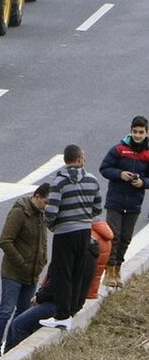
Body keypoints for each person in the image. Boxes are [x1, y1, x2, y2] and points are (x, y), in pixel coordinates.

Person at [5, 239, 99, 350]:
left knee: (18, 324)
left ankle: (16, 354)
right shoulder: (90, 252)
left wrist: (39, 297)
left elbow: (58, 283)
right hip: (73, 303)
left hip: (58, 305)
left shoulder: (72, 253)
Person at [44, 145, 102, 311]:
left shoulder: (59, 182)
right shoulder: (92, 180)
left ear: (65, 160)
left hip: (64, 233)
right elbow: (97, 208)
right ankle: (73, 308)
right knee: (78, 271)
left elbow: (51, 212)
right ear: (79, 159)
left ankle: (62, 313)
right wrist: (84, 218)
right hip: (85, 231)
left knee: (63, 272)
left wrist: (53, 226)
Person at [0, 184, 49, 354]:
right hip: (13, 273)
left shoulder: (42, 215)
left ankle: (10, 348)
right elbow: (5, 241)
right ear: (37, 196)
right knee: (6, 311)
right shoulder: (19, 212)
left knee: (23, 313)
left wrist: (42, 261)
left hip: (32, 275)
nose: (47, 206)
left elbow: (43, 241)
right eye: (46, 202)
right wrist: (21, 263)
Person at [98, 116, 149, 288]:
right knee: (113, 236)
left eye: (141, 132)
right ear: (130, 131)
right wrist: (120, 174)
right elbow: (104, 168)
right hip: (115, 201)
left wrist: (143, 182)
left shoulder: (148, 153)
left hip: (134, 203)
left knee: (126, 238)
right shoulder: (119, 150)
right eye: (135, 132)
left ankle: (118, 268)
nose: (137, 135)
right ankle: (109, 270)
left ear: (146, 133)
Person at [87, 220, 115, 300]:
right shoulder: (106, 235)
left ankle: (88, 293)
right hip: (101, 259)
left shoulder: (92, 234)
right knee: (97, 275)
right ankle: (93, 293)